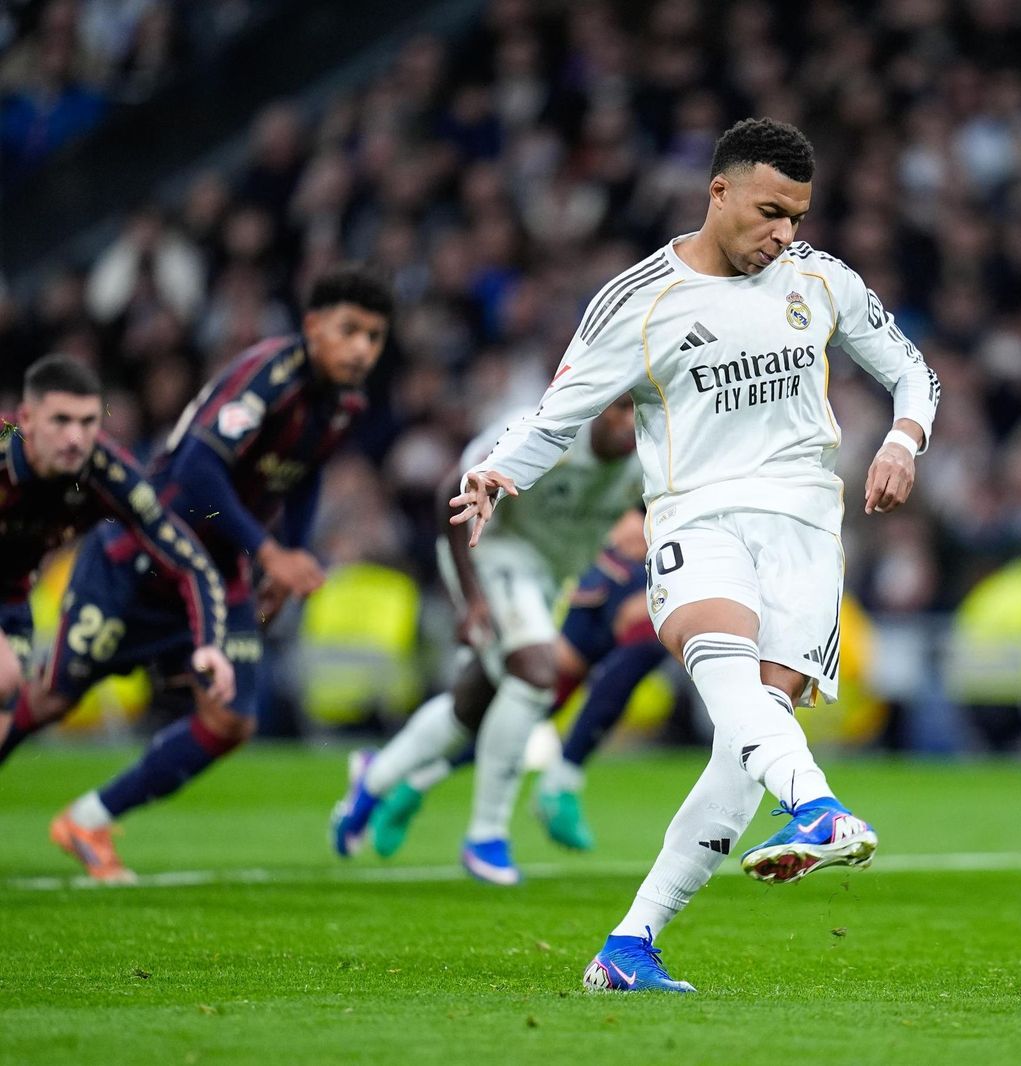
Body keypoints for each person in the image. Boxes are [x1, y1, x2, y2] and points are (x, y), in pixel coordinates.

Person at [450, 118, 940, 992]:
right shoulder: (639, 300)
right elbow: (556, 412)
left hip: (806, 534)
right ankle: (820, 807)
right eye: (769, 211)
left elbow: (912, 372)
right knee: (733, 688)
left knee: (748, 740)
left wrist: (904, 439)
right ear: (719, 193)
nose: (784, 233)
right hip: (697, 520)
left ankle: (629, 947)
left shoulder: (820, 282)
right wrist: (495, 471)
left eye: (796, 215)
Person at [2, 265, 392, 882]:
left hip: (218, 570)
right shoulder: (268, 376)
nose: (362, 349)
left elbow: (306, 474)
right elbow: (199, 467)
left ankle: (89, 819)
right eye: (350, 331)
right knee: (48, 698)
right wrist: (269, 552)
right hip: (140, 559)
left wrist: (288, 559)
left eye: (374, 337)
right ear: (312, 326)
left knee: (232, 717)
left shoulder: (344, 404)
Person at [330, 397, 642, 884]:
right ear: (597, 405)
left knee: (473, 707)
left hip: (549, 578)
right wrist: (470, 600)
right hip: (489, 553)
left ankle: (375, 778)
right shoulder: (545, 430)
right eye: (619, 409)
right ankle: (485, 836)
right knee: (538, 673)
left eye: (636, 411)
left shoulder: (653, 453)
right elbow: (450, 492)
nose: (629, 423)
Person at [0, 358, 235, 860]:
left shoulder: (107, 473)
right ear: (27, 418)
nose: (75, 438)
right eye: (60, 421)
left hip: (11, 593)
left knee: (9, 691)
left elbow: (190, 562)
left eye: (88, 422)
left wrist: (211, 645)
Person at [364, 515, 667, 858]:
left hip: (663, 544)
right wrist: (637, 520)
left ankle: (417, 780)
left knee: (550, 690)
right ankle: (558, 782)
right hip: (632, 540)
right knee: (576, 669)